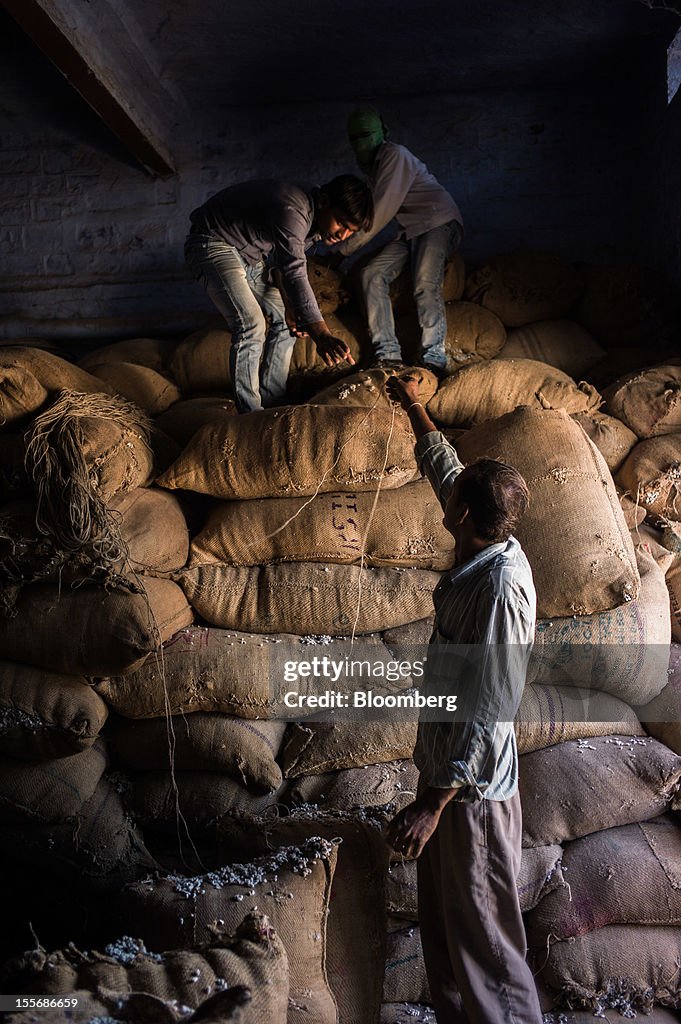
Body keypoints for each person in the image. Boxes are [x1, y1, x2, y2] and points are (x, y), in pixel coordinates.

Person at [384, 375, 543, 1024]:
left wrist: (432, 804)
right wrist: (411, 404)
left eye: (454, 493)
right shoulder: (482, 537)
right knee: (447, 943)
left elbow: (487, 710)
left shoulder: (500, 592)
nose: (446, 489)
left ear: (459, 515)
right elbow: (444, 466)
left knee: (488, 953)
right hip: (443, 777)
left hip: (470, 794)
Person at [185, 176, 373, 413]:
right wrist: (322, 334)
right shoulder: (294, 209)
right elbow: (295, 271)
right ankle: (251, 415)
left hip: (252, 257)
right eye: (341, 223)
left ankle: (274, 405)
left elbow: (281, 264)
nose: (343, 235)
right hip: (213, 243)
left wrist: (291, 306)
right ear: (325, 201)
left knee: (287, 323)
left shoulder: (315, 225)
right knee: (251, 325)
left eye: (350, 231)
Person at [336, 107, 464, 373]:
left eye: (367, 134)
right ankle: (388, 353)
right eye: (355, 137)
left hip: (438, 221)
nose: (362, 142)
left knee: (424, 283)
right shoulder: (374, 169)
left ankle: (434, 358)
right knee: (371, 274)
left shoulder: (395, 155)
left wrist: (342, 251)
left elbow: (381, 212)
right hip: (410, 231)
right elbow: (369, 212)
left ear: (383, 132)